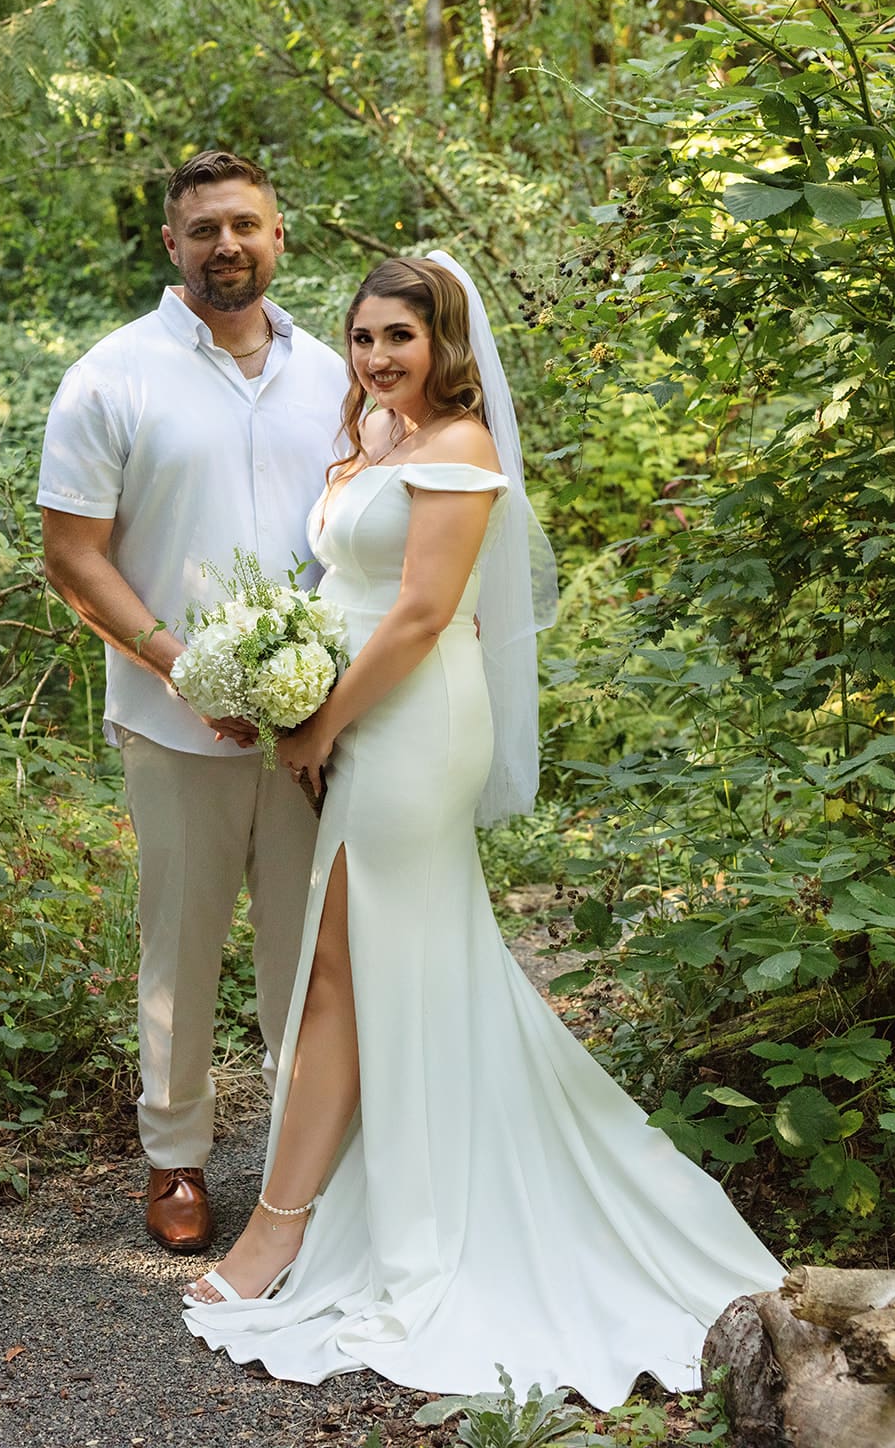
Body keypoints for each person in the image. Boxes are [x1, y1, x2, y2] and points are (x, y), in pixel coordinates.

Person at [179, 254, 782, 1407]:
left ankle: (277, 1231)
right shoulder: (375, 435)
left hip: (411, 724)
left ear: (443, 342)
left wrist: (320, 723)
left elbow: (416, 613)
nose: (375, 358)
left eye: (397, 338)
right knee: (363, 972)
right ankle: (303, 1218)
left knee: (346, 973)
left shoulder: (456, 446)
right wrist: (273, 683)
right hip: (349, 710)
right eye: (361, 337)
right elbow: (342, 588)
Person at [37, 150, 345, 1254]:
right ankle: (176, 1159)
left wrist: (325, 687)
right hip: (172, 723)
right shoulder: (111, 376)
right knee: (180, 946)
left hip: (318, 725)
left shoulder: (336, 373)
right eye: (204, 228)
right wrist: (183, 668)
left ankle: (304, 1173)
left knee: (308, 955)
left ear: (279, 234)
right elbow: (72, 555)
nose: (227, 244)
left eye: (245, 224)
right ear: (171, 243)